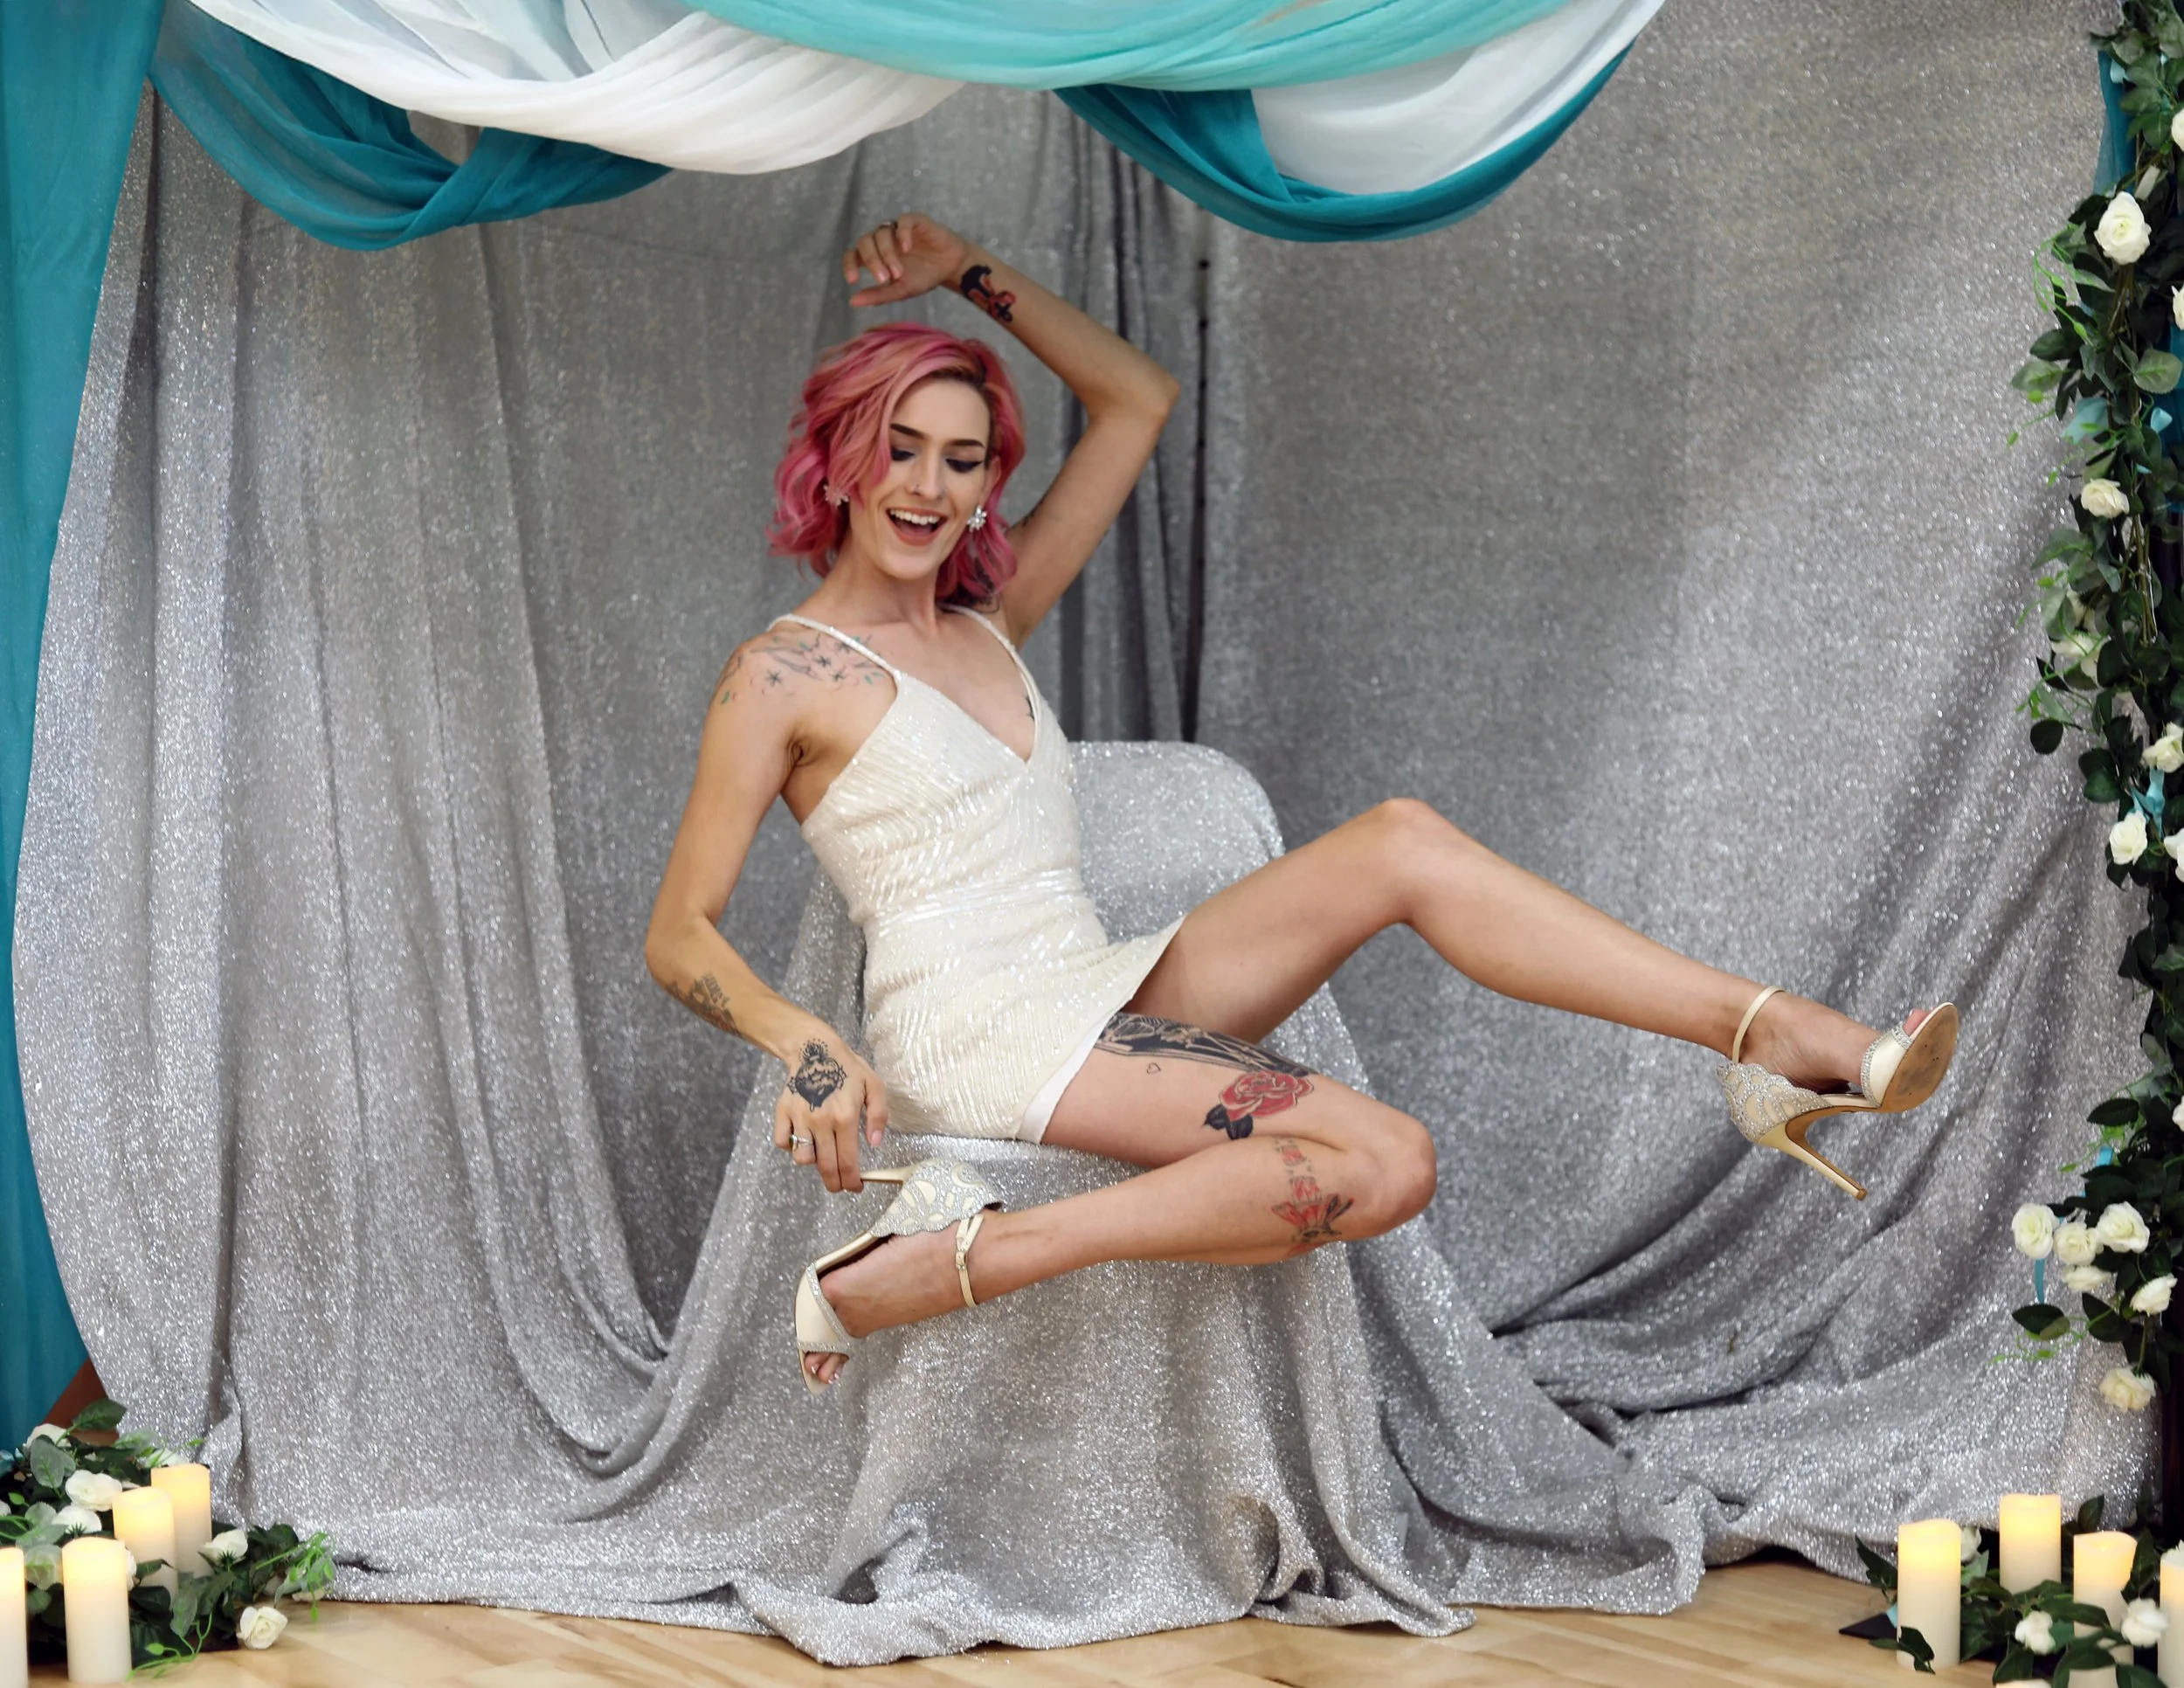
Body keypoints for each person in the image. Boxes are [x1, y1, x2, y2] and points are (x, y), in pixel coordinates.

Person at [644, 213, 1959, 1391]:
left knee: (1402, 844)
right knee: (1389, 1162)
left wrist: (963, 272)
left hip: (1093, 984)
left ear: (991, 481)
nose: (929, 489)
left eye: (964, 459)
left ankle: (1768, 1035)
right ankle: (960, 1259)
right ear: (840, 458)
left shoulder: (992, 618)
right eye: (900, 450)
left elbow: (1137, 396)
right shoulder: (783, 674)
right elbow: (680, 931)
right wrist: (808, 1043)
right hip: (976, 1032)